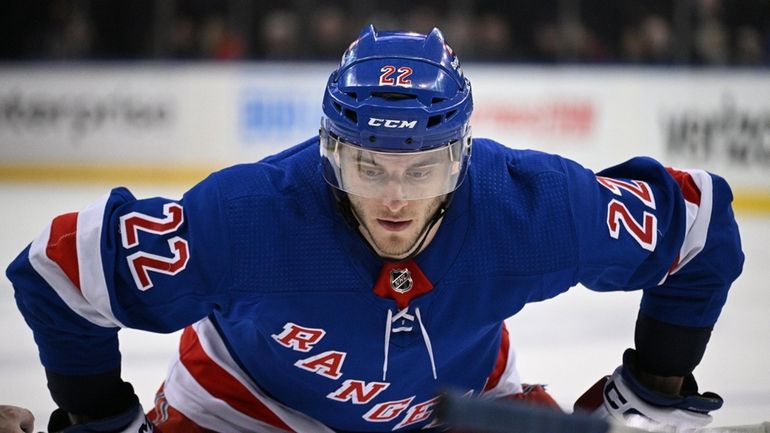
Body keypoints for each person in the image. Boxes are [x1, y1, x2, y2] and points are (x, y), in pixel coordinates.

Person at [3, 25, 743, 433]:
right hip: (246, 405)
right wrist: (102, 418)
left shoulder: (534, 206)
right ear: (331, 154)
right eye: (368, 166)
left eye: (420, 169)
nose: (394, 196)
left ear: (459, 160)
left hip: (448, 404)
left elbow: (703, 226)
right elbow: (58, 268)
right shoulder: (246, 217)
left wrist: (653, 386)